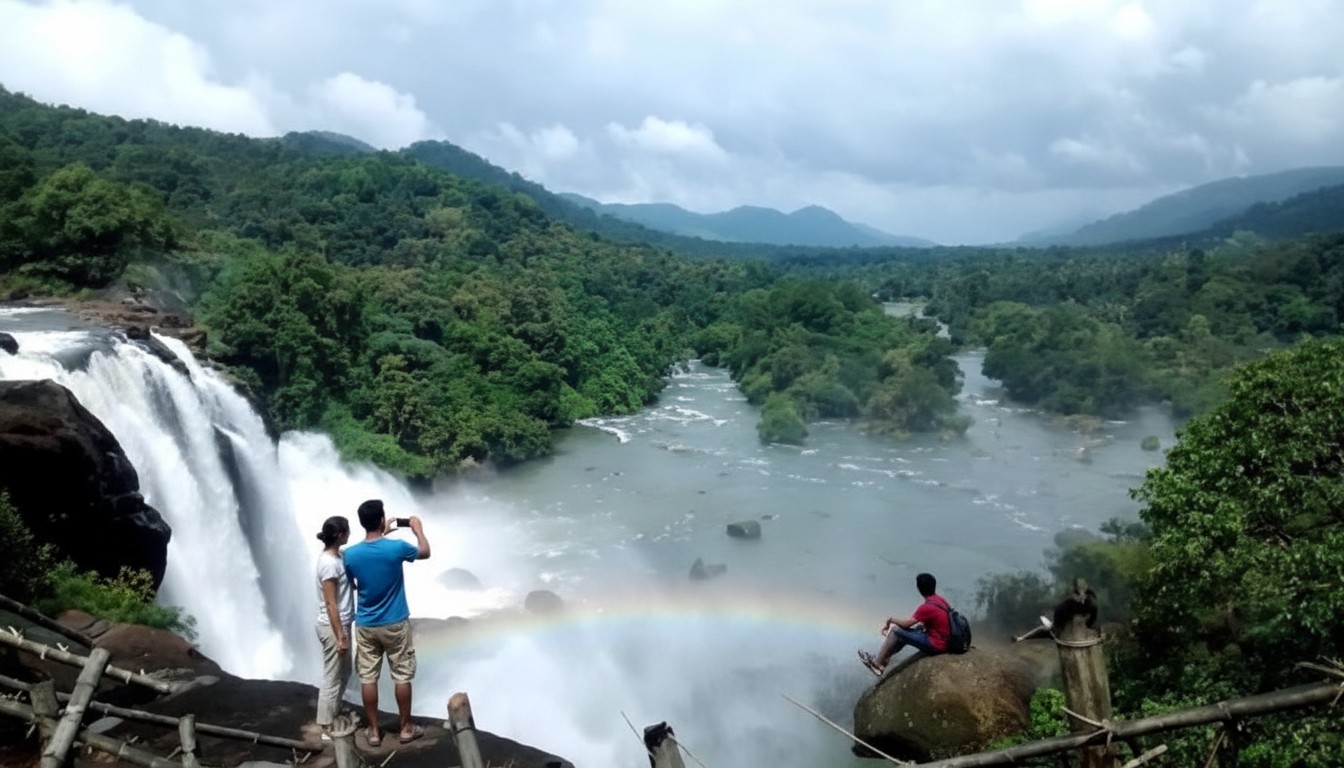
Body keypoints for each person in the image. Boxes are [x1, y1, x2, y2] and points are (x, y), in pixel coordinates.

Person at [342, 499, 431, 747]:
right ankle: (405, 729)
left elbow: (353, 582)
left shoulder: (350, 555)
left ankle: (373, 732)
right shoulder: (397, 548)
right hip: (395, 622)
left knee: (368, 677)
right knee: (401, 675)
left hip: (366, 624)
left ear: (362, 523)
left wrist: (380, 535)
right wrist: (417, 529)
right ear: (382, 520)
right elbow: (425, 552)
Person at [857, 572, 950, 675]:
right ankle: (883, 660)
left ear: (919, 589)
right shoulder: (941, 600)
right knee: (908, 632)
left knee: (896, 631)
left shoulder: (926, 607)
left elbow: (906, 624)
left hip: (938, 645)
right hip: (945, 640)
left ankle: (878, 664)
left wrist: (891, 620)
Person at [314, 515, 354, 737]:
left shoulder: (337, 556)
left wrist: (381, 532)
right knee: (332, 675)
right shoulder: (329, 564)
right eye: (347, 530)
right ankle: (326, 727)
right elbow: (330, 604)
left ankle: (334, 712)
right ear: (339, 535)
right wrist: (340, 635)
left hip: (341, 624)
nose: (350, 533)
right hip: (332, 627)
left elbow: (355, 551)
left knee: (344, 671)